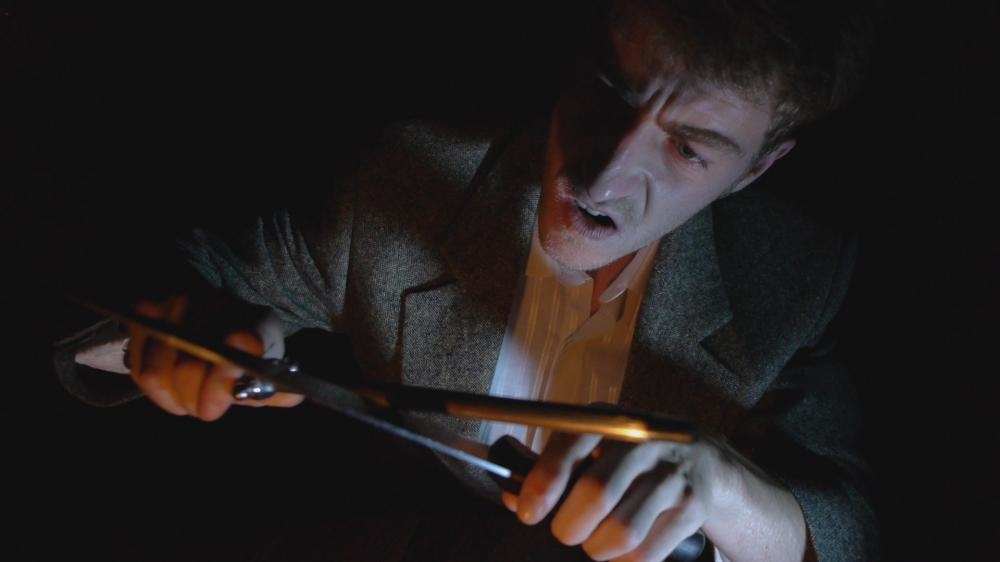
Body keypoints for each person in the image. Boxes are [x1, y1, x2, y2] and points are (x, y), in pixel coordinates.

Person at [59, 1, 879, 560]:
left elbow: (851, 528)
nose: (601, 174)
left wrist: (726, 490)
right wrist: (172, 334)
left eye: (688, 148)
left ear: (755, 169)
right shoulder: (401, 181)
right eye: (608, 93)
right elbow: (156, 290)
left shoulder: (799, 275)